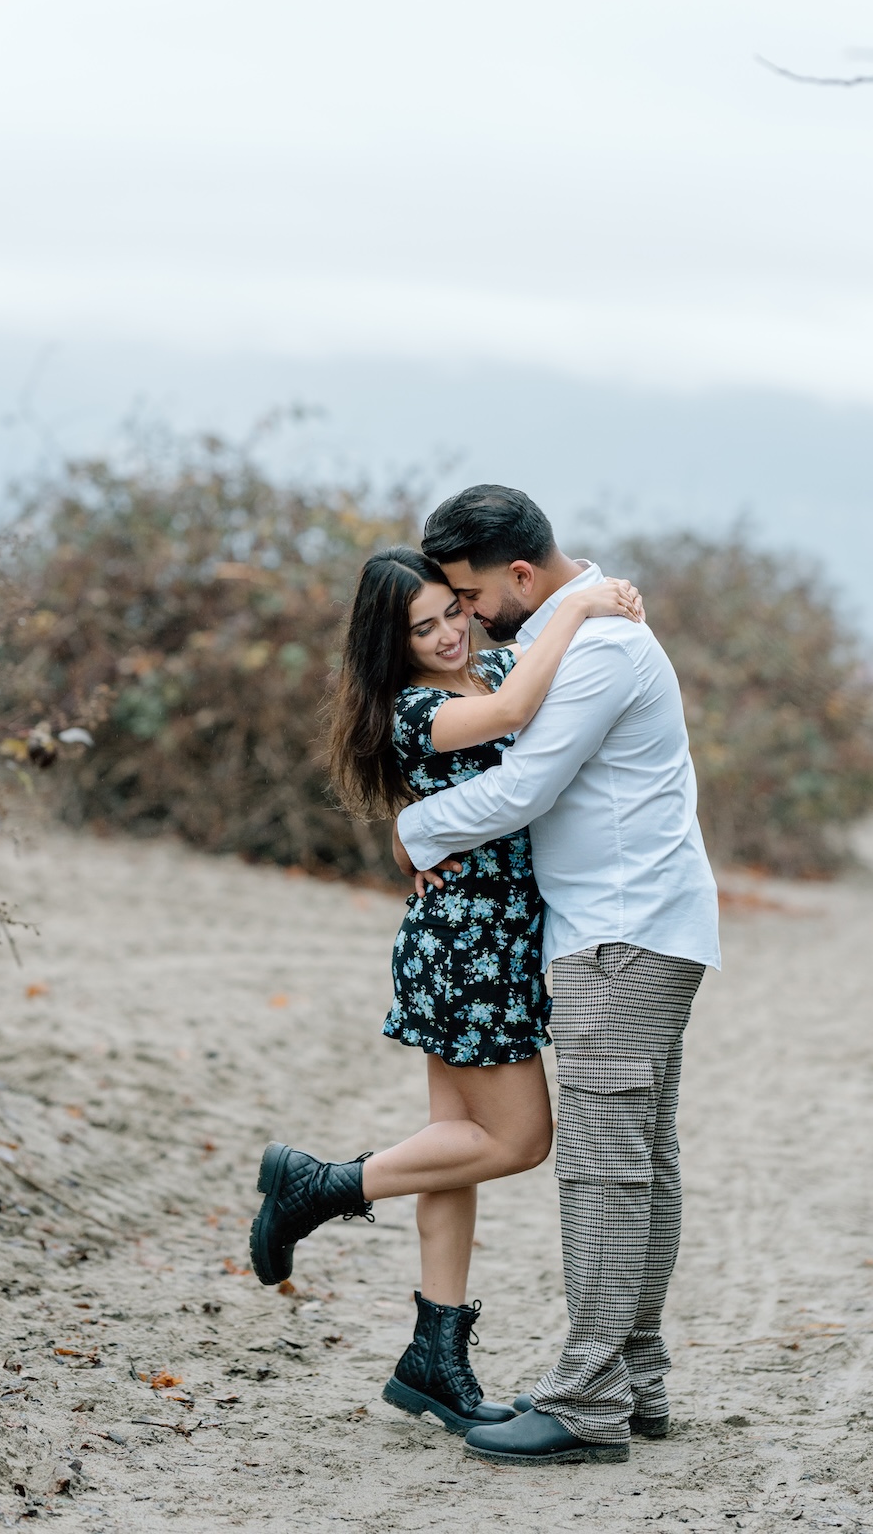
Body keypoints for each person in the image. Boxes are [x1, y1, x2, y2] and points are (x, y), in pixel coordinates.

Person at [248, 544, 643, 1434]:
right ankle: (322, 1185)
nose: (447, 634)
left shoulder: (493, 666)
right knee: (520, 1140)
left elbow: (527, 692)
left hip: (495, 938)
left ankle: (434, 1357)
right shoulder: (417, 709)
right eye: (421, 629)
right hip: (466, 946)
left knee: (454, 1147)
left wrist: (410, 833)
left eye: (453, 611)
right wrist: (582, 606)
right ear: (393, 646)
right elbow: (513, 713)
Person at [393, 485, 721, 1467]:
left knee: (605, 1167)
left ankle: (587, 1404)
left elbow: (525, 788)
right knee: (642, 1160)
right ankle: (634, 1383)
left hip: (621, 935)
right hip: (637, 925)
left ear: (521, 574)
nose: (467, 614)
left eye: (470, 595)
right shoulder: (574, 635)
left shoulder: (599, 649)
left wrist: (415, 829)